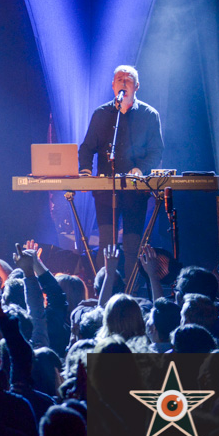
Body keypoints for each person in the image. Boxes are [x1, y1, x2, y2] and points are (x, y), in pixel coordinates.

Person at [78, 65, 163, 278]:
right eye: (119, 79)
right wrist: (86, 173)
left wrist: (140, 169)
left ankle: (130, 296)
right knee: (107, 245)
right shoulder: (102, 114)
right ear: (113, 86)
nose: (123, 82)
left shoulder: (149, 114)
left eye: (128, 79)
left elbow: (156, 151)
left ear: (137, 86)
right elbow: (87, 148)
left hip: (136, 192)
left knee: (133, 246)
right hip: (106, 192)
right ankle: (105, 296)